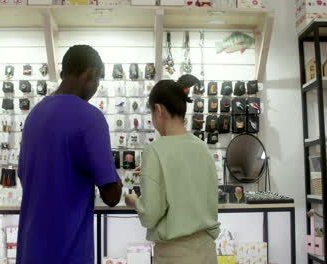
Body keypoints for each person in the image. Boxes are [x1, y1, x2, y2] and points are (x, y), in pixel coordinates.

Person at [17, 45, 122, 264]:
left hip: (31, 250)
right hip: (68, 252)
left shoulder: (34, 115)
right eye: (97, 81)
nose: (95, 88)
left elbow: (23, 176)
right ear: (91, 73)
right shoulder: (90, 118)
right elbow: (111, 196)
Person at [125, 75, 220, 264]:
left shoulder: (155, 150)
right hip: (208, 252)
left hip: (175, 255)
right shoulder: (202, 147)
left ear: (159, 110)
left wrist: (134, 201)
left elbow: (150, 215)